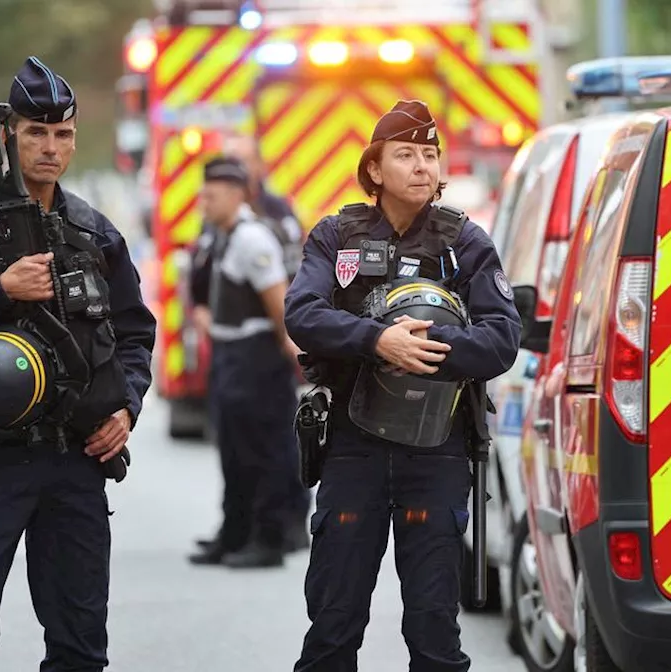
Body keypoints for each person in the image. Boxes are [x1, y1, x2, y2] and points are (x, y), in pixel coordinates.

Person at [0, 56, 156, 672]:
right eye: (35, 132)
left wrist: (127, 405)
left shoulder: (96, 232)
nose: (50, 147)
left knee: (81, 646)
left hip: (77, 462)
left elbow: (135, 333)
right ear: (9, 135)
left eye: (62, 134)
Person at [284, 100, 519, 671]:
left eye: (430, 155)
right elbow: (302, 314)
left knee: (434, 627)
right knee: (334, 624)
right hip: (352, 447)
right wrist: (377, 340)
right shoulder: (336, 236)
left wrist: (431, 351)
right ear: (374, 169)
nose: (421, 166)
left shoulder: (466, 243)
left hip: (435, 451)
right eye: (406, 154)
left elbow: (502, 339)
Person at [190, 131, 309, 554]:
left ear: (238, 195)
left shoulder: (252, 238)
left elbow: (278, 304)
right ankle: (236, 531)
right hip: (230, 356)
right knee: (233, 448)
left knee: (265, 449)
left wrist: (288, 348)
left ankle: (269, 537)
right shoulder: (221, 234)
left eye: (213, 196)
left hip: (256, 357)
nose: (205, 203)